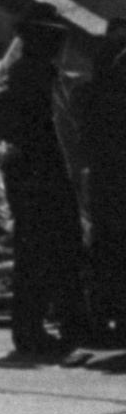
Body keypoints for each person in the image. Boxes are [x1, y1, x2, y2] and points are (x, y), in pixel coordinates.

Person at [0, 7, 96, 359]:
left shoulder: (36, 76)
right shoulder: (30, 79)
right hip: (39, 181)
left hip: (45, 179)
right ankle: (32, 335)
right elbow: (35, 129)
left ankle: (72, 326)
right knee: (41, 257)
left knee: (61, 253)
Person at [77, 21, 126, 339]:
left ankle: (101, 315)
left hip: (103, 177)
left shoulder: (88, 94)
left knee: (106, 246)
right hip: (116, 175)